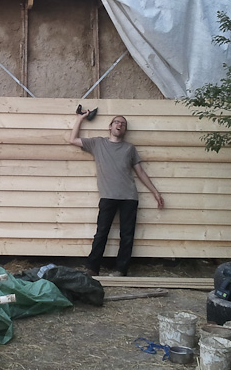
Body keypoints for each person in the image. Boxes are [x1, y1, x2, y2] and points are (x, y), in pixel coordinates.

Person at [67, 110, 164, 276]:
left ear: (125, 130)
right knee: (101, 233)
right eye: (117, 122)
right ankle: (92, 268)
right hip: (108, 196)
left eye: (123, 124)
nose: (120, 125)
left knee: (127, 236)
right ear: (110, 127)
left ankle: (121, 270)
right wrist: (80, 118)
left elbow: (140, 172)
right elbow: (72, 139)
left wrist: (155, 192)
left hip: (129, 197)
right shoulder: (97, 143)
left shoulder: (129, 148)